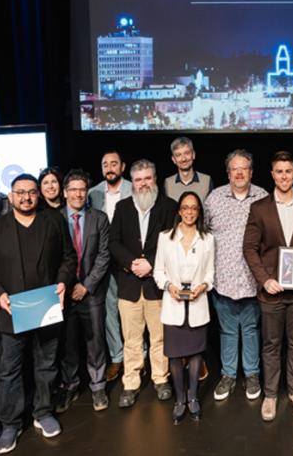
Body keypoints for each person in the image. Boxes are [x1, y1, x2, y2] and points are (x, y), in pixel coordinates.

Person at [0, 174, 75, 453]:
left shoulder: (54, 221)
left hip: (46, 309)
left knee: (46, 364)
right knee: (9, 370)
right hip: (10, 313)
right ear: (10, 196)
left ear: (38, 195)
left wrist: (63, 282)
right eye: (20, 192)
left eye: (32, 192)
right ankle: (10, 423)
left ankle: (43, 412)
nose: (26, 197)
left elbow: (68, 258)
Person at [243, 151, 293, 422]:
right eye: (279, 172)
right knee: (270, 344)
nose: (283, 176)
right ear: (272, 174)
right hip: (272, 291)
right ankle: (269, 395)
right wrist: (265, 279)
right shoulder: (259, 208)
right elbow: (250, 248)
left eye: (288, 171)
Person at [109, 159, 179, 407]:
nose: (143, 184)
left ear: (155, 179)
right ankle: (131, 383)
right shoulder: (122, 207)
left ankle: (161, 379)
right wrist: (131, 263)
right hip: (128, 285)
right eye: (138, 180)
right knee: (131, 338)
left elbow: (173, 242)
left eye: (147, 178)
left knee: (160, 338)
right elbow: (113, 242)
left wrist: (151, 263)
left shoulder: (169, 207)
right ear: (133, 183)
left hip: (156, 286)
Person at [203, 149, 269, 402]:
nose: (239, 173)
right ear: (228, 173)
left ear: (251, 172)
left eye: (244, 168)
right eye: (234, 169)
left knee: (251, 329)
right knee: (227, 331)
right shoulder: (214, 198)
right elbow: (204, 233)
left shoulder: (263, 197)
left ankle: (251, 374)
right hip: (223, 281)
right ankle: (229, 374)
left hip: (253, 281)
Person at [153, 191, 216, 423]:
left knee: (196, 352)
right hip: (174, 303)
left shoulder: (208, 239)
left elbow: (211, 272)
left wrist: (204, 286)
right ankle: (180, 399)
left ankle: (193, 397)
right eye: (185, 207)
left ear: (199, 212)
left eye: (194, 208)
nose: (190, 212)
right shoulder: (165, 238)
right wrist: (169, 286)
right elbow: (158, 271)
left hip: (198, 302)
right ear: (179, 210)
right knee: (175, 355)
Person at [54, 169, 113, 413]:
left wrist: (86, 286)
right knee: (68, 344)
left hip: (92, 293)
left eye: (82, 189)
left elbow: (104, 255)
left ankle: (98, 386)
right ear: (65, 193)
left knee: (95, 341)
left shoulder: (99, 218)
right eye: (73, 189)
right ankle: (70, 385)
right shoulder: (53, 219)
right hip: (62, 295)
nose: (78, 194)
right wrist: (66, 286)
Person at [88, 150, 132, 380]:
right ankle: (117, 357)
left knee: (133, 310)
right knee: (109, 311)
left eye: (114, 163)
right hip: (103, 262)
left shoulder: (134, 188)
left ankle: (139, 356)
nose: (109, 168)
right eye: (105, 164)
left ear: (122, 167)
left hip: (128, 261)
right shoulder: (92, 193)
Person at [164, 136, 213, 201]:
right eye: (178, 155)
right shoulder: (168, 183)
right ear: (173, 159)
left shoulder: (206, 181)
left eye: (187, 153)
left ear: (193, 155)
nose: (183, 159)